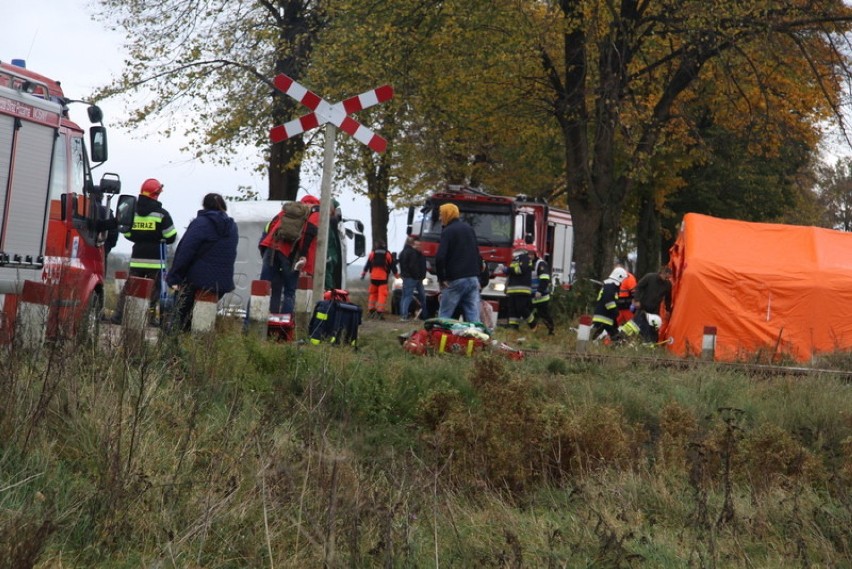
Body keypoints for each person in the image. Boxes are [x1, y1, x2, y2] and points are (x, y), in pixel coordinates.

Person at [166, 193, 238, 331]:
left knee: (179, 321)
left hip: (196, 280)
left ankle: (175, 347)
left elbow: (185, 251)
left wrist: (174, 276)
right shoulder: (232, 227)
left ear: (204, 205)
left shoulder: (201, 223)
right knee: (203, 321)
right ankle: (200, 348)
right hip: (221, 283)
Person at [113, 178, 178, 324]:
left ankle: (119, 316)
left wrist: (140, 238)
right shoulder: (162, 214)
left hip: (137, 259)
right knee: (153, 293)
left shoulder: (133, 212)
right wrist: (157, 237)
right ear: (156, 195)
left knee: (130, 289)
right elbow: (171, 236)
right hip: (156, 261)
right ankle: (148, 319)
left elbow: (127, 233)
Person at [258, 195, 321, 314]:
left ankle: (254, 321)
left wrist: (264, 249)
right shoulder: (315, 212)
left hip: (271, 248)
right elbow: (309, 233)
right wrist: (303, 256)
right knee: (289, 291)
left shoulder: (288, 210)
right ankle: (285, 325)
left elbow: (270, 227)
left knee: (262, 286)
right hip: (290, 254)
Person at [435, 203, 481, 323]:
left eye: (441, 215)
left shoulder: (448, 231)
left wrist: (441, 278)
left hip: (456, 280)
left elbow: (440, 257)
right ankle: (476, 339)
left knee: (445, 315)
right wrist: (478, 276)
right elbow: (477, 254)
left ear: (447, 214)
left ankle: (439, 339)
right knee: (473, 317)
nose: (440, 218)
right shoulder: (469, 229)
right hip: (472, 279)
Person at [626, 266, 673, 342]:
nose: (667, 279)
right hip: (643, 306)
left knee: (653, 328)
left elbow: (668, 298)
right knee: (638, 325)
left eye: (668, 278)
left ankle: (652, 344)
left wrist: (668, 310)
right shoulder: (650, 277)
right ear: (662, 273)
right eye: (666, 277)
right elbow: (638, 287)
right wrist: (636, 300)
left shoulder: (667, 285)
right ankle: (634, 341)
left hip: (655, 309)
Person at [361, 240, 398, 320]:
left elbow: (367, 265)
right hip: (383, 278)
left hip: (373, 278)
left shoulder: (372, 253)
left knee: (373, 294)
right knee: (382, 295)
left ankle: (371, 310)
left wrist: (363, 274)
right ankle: (379, 312)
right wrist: (396, 275)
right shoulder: (387, 254)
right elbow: (392, 266)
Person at [591, 266, 630, 342]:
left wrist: (614, 319)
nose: (623, 282)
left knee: (614, 335)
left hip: (607, 318)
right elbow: (608, 300)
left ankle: (619, 345)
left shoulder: (611, 286)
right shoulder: (611, 286)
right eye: (623, 279)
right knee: (594, 336)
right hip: (603, 318)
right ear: (619, 277)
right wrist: (615, 311)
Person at [504, 240, 534, 330]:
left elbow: (520, 270)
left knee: (521, 308)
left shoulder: (525, 258)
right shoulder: (515, 259)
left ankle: (533, 323)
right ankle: (513, 327)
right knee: (512, 309)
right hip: (513, 289)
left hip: (522, 289)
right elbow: (513, 273)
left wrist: (508, 270)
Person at [397, 235, 428, 321]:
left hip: (407, 277)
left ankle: (403, 314)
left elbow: (403, 265)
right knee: (411, 296)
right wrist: (417, 276)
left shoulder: (403, 252)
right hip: (414, 278)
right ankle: (405, 316)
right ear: (412, 243)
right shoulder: (413, 253)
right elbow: (413, 266)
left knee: (405, 296)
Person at [528, 247, 555, 335]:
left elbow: (545, 279)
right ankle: (534, 327)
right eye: (528, 254)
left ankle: (551, 330)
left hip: (541, 296)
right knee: (528, 311)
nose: (529, 256)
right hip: (532, 295)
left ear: (535, 254)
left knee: (544, 314)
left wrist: (539, 291)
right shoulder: (529, 263)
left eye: (531, 254)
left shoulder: (540, 264)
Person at [615, 261, 637, 326]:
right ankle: (608, 336)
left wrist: (633, 304)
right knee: (615, 323)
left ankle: (634, 336)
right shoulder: (617, 278)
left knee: (632, 325)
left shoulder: (629, 278)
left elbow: (634, 293)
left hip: (627, 306)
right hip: (619, 306)